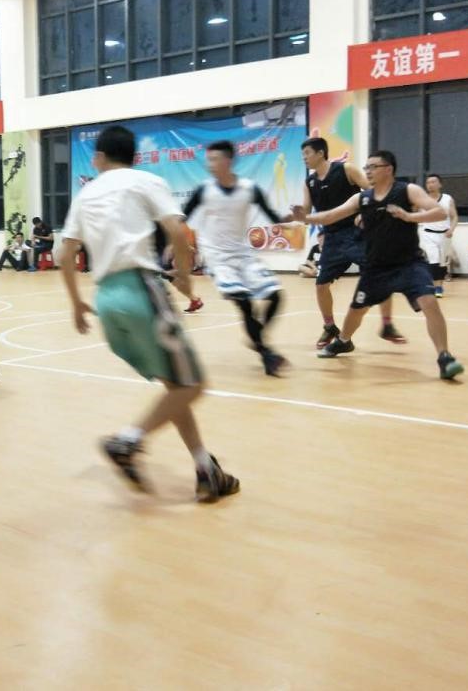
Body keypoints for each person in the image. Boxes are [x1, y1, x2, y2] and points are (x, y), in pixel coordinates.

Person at [59, 124, 238, 504]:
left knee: (176, 385)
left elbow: (65, 254)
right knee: (194, 385)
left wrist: (76, 303)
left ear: (99, 158)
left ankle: (206, 469)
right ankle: (128, 440)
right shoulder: (145, 180)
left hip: (107, 301)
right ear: (134, 156)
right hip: (141, 290)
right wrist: (185, 277)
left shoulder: (86, 193)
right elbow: (178, 231)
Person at [293, 150, 464, 381]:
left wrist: (409, 217)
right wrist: (305, 218)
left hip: (409, 263)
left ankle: (445, 357)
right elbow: (330, 216)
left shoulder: (407, 191)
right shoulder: (363, 199)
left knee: (429, 302)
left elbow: (439, 212)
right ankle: (343, 341)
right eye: (366, 168)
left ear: (388, 169)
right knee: (356, 310)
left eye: (373, 167)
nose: (368, 172)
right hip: (377, 268)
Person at [184, 140, 293, 376]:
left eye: (214, 159)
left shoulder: (249, 188)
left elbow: (273, 216)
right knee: (245, 303)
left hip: (243, 254)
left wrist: (289, 219)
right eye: (208, 160)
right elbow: (182, 216)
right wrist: (172, 243)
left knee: (276, 297)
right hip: (217, 257)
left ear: (228, 161)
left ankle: (257, 337)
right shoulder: (204, 190)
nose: (209, 164)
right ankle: (266, 353)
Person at [297, 137, 405, 350]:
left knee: (380, 274)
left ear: (320, 153)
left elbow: (373, 192)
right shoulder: (309, 182)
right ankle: (330, 327)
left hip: (357, 234)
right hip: (332, 238)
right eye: (303, 155)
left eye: (307, 153)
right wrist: (296, 215)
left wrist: (366, 214)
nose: (304, 158)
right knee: (321, 285)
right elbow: (306, 212)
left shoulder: (346, 169)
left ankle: (387, 325)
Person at [420, 174, 457, 297]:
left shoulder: (447, 199)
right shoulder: (422, 199)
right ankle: (436, 287)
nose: (430, 185)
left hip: (445, 235)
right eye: (428, 182)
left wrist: (451, 229)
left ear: (440, 184)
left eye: (433, 182)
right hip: (428, 233)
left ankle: (439, 285)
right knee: (433, 260)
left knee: (442, 263)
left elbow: (454, 217)